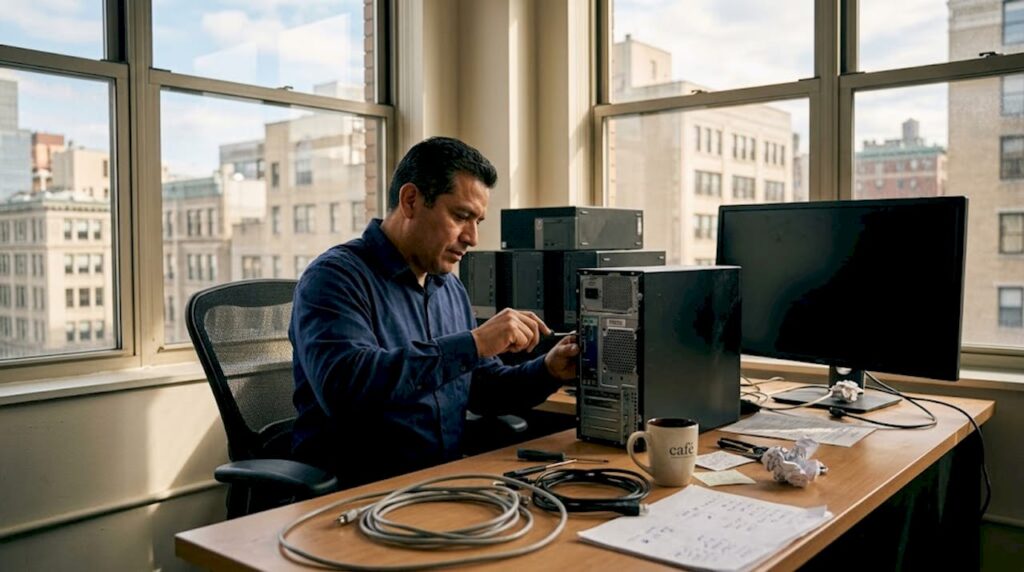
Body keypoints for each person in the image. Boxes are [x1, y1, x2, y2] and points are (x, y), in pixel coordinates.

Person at [289, 136, 579, 487]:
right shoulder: (334, 278)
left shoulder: (448, 287)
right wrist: (473, 343)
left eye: (478, 222)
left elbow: (482, 387)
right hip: (357, 492)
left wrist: (548, 370)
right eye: (461, 216)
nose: (472, 237)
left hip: (440, 482)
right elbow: (347, 388)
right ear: (411, 200)